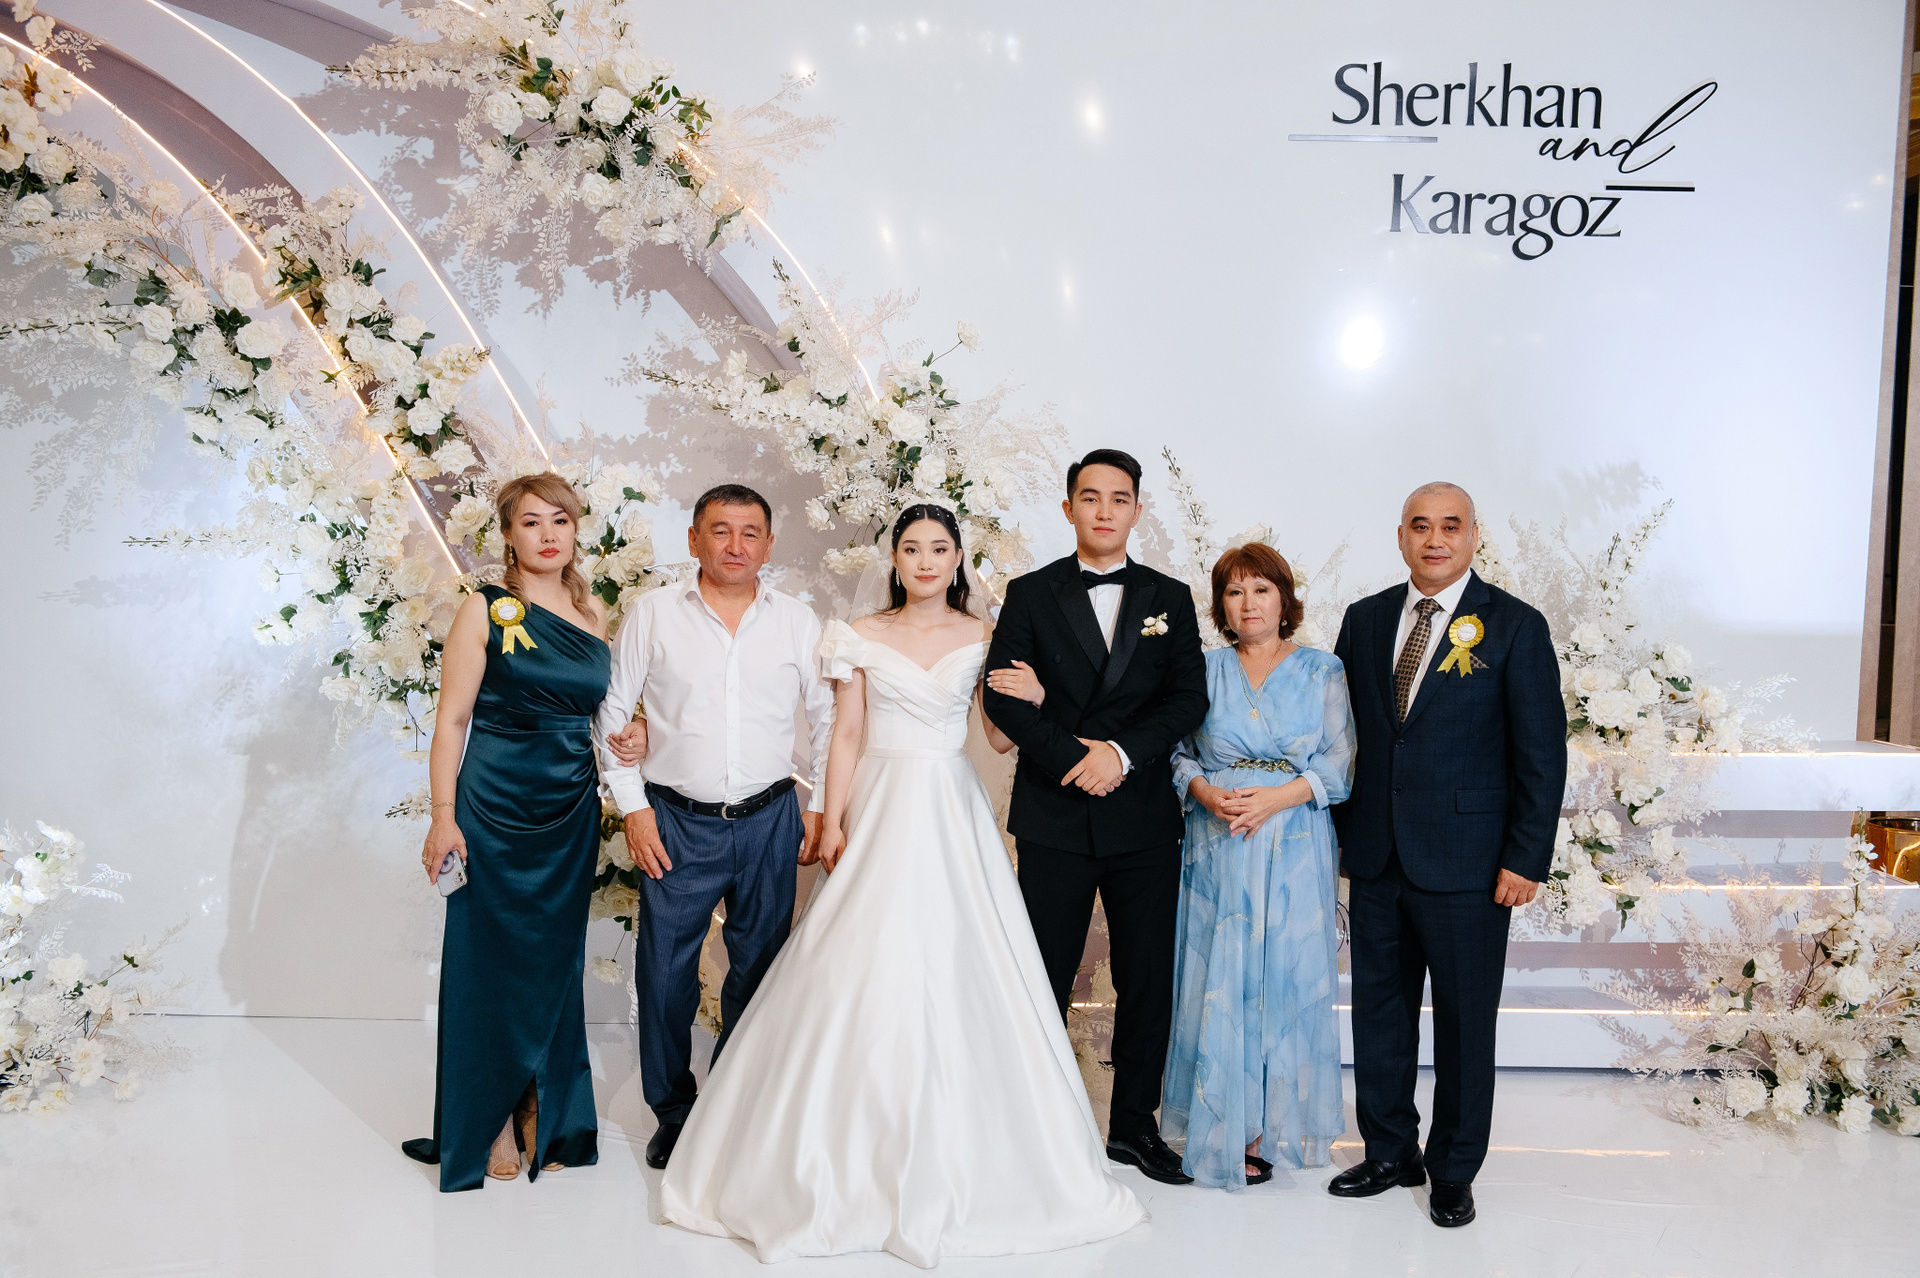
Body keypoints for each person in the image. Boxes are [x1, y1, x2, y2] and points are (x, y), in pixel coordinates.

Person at [657, 504, 1146, 1266]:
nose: (924, 560)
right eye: (912, 547)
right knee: (855, 958)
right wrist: (832, 818)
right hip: (880, 798)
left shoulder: (983, 635)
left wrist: (1036, 700)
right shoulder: (859, 634)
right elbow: (847, 734)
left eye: (938, 548)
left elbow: (994, 737)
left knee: (961, 959)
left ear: (957, 560)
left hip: (949, 804)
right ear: (894, 558)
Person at [1328, 482, 1566, 1228]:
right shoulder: (1365, 620)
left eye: (1450, 526)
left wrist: (1525, 857)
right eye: (1421, 526)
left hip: (1471, 864)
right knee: (1379, 1016)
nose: (1435, 539)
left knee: (1464, 1024)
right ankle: (1389, 1150)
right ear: (1401, 536)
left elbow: (1541, 754)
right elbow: (1344, 737)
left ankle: (1454, 1168)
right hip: (1376, 857)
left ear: (1473, 537)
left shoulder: (1515, 626)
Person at [980, 448, 1210, 1186]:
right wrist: (1077, 759)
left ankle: (1134, 1129)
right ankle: (1036, 1129)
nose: (1104, 510)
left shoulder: (1170, 596)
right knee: (1041, 974)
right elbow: (1003, 697)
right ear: (1068, 508)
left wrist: (1120, 754)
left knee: (1147, 978)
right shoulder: (1030, 593)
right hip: (1054, 815)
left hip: (1143, 819)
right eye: (1090, 497)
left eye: (1118, 498)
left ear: (1137, 510)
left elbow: (1188, 698)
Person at [592, 484, 833, 1172]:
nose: (735, 545)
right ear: (694, 538)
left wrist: (818, 809)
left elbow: (826, 717)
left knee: (758, 969)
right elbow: (613, 712)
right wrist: (635, 808)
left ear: (769, 545)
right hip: (675, 819)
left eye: (750, 533)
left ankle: (729, 1105)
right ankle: (673, 1112)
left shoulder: (797, 621)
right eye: (720, 531)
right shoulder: (654, 614)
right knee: (664, 974)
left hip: (771, 819)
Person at [403, 473, 611, 1191]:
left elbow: (604, 716)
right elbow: (452, 721)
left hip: (570, 806)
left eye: (561, 520)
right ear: (508, 535)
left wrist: (637, 733)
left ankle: (543, 1111)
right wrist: (442, 816)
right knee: (486, 959)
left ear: (575, 530)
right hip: (492, 804)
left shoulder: (594, 613)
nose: (548, 534)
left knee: (554, 961)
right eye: (531, 522)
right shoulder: (484, 608)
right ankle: (487, 1117)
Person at [1160, 542, 1354, 1189]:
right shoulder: (1201, 668)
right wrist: (1203, 791)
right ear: (1221, 604)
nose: (1248, 603)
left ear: (1284, 599)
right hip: (1217, 842)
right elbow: (1176, 751)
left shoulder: (1323, 669)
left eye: (1261, 589)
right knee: (1222, 975)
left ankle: (1274, 1124)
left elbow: (1340, 762)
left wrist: (1275, 798)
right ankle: (1226, 1124)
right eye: (1235, 591)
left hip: (1293, 839)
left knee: (1286, 974)